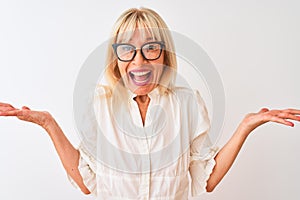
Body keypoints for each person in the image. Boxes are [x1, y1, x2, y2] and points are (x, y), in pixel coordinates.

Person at [0, 7, 299, 200]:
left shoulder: (187, 103)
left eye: (151, 49)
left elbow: (204, 180)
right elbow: (86, 182)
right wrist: (48, 124)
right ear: (116, 58)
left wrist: (245, 126)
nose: (139, 61)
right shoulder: (100, 106)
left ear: (164, 56)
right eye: (127, 50)